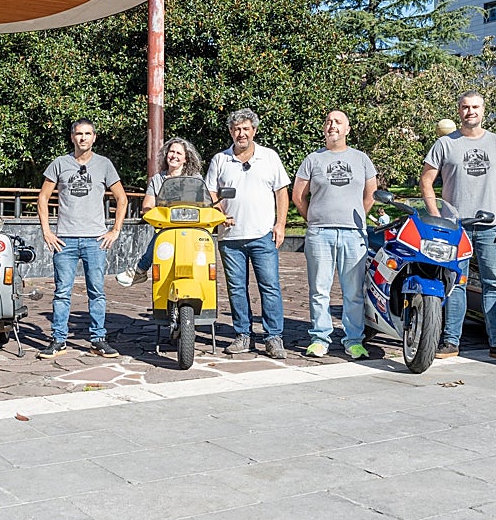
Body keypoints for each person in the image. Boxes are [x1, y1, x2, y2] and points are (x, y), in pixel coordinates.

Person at [420, 90, 496, 363]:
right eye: (465, 107)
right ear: (459, 111)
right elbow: (426, 180)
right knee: (456, 283)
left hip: (491, 227)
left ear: (483, 110)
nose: (470, 112)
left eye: (475, 107)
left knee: (493, 284)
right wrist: (436, 215)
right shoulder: (444, 144)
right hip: (456, 227)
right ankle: (451, 341)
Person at [37, 119, 129, 358]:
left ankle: (98, 339)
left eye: (88, 134)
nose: (83, 138)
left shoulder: (104, 165)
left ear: (94, 137)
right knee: (62, 292)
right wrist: (47, 231)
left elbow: (122, 198)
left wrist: (115, 230)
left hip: (95, 240)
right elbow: (43, 198)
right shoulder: (60, 163)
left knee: (96, 292)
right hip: (65, 239)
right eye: (79, 134)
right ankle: (58, 340)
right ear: (72, 137)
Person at [205, 108, 291, 359]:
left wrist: (281, 224)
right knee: (236, 289)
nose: (241, 133)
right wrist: (220, 212)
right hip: (230, 238)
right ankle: (243, 334)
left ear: (254, 130)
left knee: (270, 286)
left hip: (263, 234)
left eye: (245, 129)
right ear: (231, 132)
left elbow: (281, 192)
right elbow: (210, 192)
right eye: (236, 129)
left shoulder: (269, 157)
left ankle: (273, 337)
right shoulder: (220, 160)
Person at [293, 110, 378, 360]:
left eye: (338, 122)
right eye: (329, 122)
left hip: (353, 234)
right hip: (320, 233)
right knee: (319, 289)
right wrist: (314, 218)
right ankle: (320, 338)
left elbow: (370, 194)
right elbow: (298, 195)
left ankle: (354, 340)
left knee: (353, 292)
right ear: (324, 128)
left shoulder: (361, 159)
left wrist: (355, 217)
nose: (333, 126)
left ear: (347, 129)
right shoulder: (313, 159)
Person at [116, 136, 203, 287]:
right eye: (171, 151)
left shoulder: (195, 179)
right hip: (166, 227)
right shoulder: (157, 179)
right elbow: (147, 204)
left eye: (178, 153)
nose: (174, 156)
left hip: (191, 227)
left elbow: (203, 202)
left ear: (186, 159)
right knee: (160, 238)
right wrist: (152, 212)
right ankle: (141, 270)